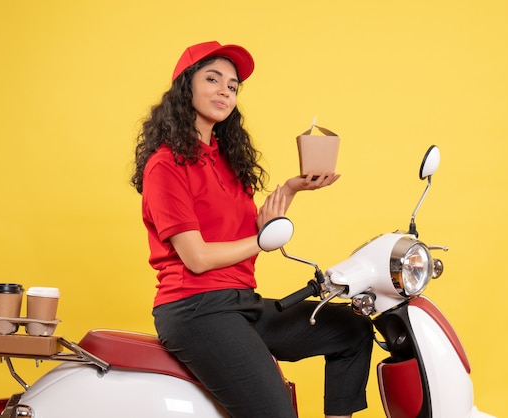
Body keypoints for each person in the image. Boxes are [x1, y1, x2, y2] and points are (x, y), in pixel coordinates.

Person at [130, 41, 373, 418]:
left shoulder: (226, 160)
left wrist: (292, 189)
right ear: (186, 86)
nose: (224, 90)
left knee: (350, 328)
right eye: (212, 79)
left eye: (232, 85)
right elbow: (196, 257)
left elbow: (252, 231)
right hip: (195, 309)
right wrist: (261, 242)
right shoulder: (167, 166)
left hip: (241, 301)